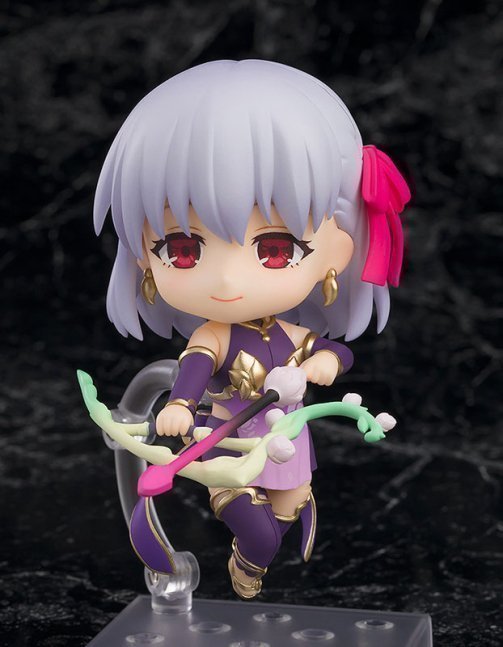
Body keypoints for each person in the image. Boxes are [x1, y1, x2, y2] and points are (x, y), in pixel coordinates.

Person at [93, 59, 410, 598]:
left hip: (288, 440)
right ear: (144, 256)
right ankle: (248, 563)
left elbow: (332, 351)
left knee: (290, 509)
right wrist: (178, 406)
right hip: (225, 445)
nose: (227, 280)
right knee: (260, 535)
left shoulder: (289, 334)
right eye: (183, 249)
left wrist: (327, 360)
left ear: (335, 251)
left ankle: (262, 545)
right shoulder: (214, 337)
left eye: (275, 249)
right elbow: (194, 369)